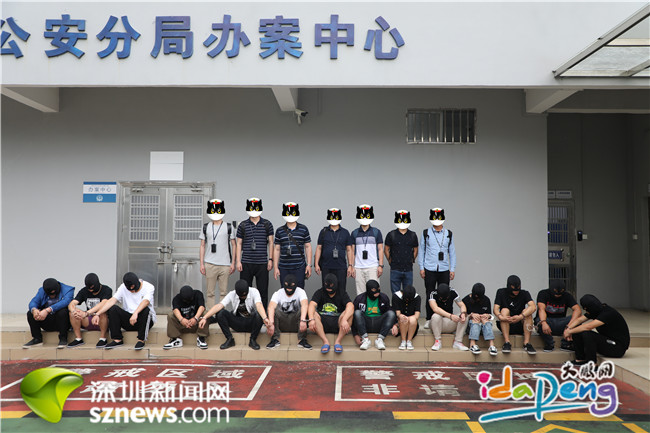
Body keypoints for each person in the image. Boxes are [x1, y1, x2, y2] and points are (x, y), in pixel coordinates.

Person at [198, 279, 270, 350]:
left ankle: (253, 340)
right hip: (237, 322)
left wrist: (265, 318)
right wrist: (204, 318)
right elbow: (219, 305)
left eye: (245, 295)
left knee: (259, 314)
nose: (244, 297)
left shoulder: (254, 291)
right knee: (220, 313)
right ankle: (229, 339)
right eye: (242, 296)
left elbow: (259, 305)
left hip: (250, 323)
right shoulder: (232, 294)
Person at [94, 272, 157, 350]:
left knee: (146, 310)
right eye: (130, 289)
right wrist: (97, 314)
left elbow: (146, 301)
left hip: (143, 320)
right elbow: (112, 300)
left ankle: (141, 340)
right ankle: (117, 339)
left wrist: (135, 313)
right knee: (113, 308)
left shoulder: (149, 287)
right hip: (129, 320)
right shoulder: (122, 287)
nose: (132, 291)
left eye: (134, 289)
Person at [564, 294, 630, 365]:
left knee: (588, 334)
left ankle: (592, 364)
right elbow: (579, 320)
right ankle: (580, 359)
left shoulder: (608, 313)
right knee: (577, 330)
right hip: (607, 341)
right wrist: (568, 328)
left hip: (618, 347)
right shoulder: (595, 310)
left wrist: (570, 331)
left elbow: (589, 326)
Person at [418, 207, 456, 328]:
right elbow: (421, 251)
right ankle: (429, 319)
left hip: (444, 269)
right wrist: (421, 267)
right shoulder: (426, 233)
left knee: (445, 294)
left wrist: (452, 269)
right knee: (430, 294)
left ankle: (445, 318)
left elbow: (452, 252)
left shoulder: (448, 234)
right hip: (429, 268)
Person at [236, 197, 274, 308]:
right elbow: (239, 243)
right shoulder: (243, 225)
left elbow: (271, 242)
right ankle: (245, 313)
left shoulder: (267, 224)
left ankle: (262, 315)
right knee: (244, 291)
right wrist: (238, 261)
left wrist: (270, 259)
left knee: (263, 291)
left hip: (262, 263)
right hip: (246, 262)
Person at [200, 199, 236, 308]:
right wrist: (202, 264)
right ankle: (210, 314)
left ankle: (221, 314)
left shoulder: (229, 227)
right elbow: (202, 245)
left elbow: (234, 245)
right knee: (210, 293)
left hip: (225, 264)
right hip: (209, 263)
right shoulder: (205, 227)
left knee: (223, 293)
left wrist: (233, 263)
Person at [308, 273, 354, 354]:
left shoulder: (341, 292)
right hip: (322, 324)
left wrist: (344, 319)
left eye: (331, 286)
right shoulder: (320, 292)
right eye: (327, 286)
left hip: (338, 323)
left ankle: (338, 341)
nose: (329, 289)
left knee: (349, 315)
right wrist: (311, 319)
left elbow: (351, 306)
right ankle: (325, 341)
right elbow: (312, 304)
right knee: (313, 314)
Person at [24, 278, 74, 349]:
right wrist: (34, 310)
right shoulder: (41, 290)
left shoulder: (68, 290)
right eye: (50, 294)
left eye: (54, 294)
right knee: (30, 313)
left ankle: (63, 338)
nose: (52, 296)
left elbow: (66, 302)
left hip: (63, 322)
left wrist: (47, 310)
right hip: (47, 321)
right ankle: (37, 339)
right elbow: (34, 301)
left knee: (63, 312)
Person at [266, 274, 312, 350]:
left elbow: (305, 305)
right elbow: (271, 307)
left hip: (296, 323)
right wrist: (271, 323)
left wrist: (303, 320)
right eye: (287, 288)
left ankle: (302, 339)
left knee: (304, 310)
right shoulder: (278, 293)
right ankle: (275, 339)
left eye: (291, 288)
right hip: (282, 323)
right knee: (273, 311)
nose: (289, 290)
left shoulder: (301, 292)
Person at [494, 275, 537, 355]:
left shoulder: (524, 293)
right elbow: (495, 309)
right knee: (504, 310)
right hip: (506, 323)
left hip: (520, 324)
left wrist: (520, 316)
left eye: (518, 290)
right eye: (514, 290)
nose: (516, 292)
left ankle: (527, 343)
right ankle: (507, 342)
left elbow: (533, 307)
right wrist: (501, 317)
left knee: (527, 312)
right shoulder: (501, 292)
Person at [67, 273, 112, 349]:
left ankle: (103, 338)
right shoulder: (84, 291)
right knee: (72, 313)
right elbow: (72, 304)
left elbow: (103, 303)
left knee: (102, 312)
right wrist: (74, 311)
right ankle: (78, 338)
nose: (91, 290)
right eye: (89, 289)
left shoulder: (107, 290)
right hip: (89, 320)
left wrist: (87, 313)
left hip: (102, 320)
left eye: (92, 288)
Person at [273, 202, 312, 289]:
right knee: (284, 291)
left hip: (299, 267)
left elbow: (308, 247)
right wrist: (275, 267)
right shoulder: (279, 230)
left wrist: (309, 265)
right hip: (283, 267)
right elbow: (277, 249)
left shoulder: (303, 229)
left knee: (299, 291)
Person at [314, 208, 353, 295]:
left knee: (341, 290)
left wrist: (350, 265)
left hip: (341, 266)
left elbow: (349, 250)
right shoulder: (323, 232)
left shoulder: (345, 232)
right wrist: (316, 264)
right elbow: (319, 248)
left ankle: (340, 304)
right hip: (326, 266)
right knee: (326, 290)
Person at [536, 280, 581, 352]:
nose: (557, 296)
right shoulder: (543, 293)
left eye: (559, 294)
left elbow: (577, 310)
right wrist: (544, 322)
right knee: (539, 320)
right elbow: (541, 309)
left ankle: (565, 344)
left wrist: (569, 326)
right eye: (555, 294)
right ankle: (549, 344)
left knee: (578, 320)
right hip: (547, 322)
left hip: (561, 322)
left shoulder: (567, 296)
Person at [350, 204, 384, 295]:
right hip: (358, 268)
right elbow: (352, 251)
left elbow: (380, 249)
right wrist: (352, 266)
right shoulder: (354, 233)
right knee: (360, 293)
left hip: (373, 267)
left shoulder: (376, 232)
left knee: (374, 292)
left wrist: (380, 266)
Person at [352, 280, 396, 350]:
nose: (377, 293)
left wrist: (395, 325)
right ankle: (365, 339)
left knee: (391, 313)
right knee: (357, 312)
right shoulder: (359, 299)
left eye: (378, 290)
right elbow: (352, 317)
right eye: (374, 290)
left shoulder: (384, 297)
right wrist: (355, 334)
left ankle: (380, 339)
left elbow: (389, 312)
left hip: (379, 323)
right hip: (365, 323)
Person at [163, 285, 208, 350]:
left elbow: (202, 307)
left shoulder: (198, 294)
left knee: (206, 314)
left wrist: (195, 318)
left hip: (197, 324)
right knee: (171, 315)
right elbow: (175, 310)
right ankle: (175, 339)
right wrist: (181, 319)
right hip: (182, 325)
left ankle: (201, 338)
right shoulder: (176, 298)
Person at [384, 210, 419, 294]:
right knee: (396, 294)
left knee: (409, 293)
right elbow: (386, 249)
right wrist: (390, 260)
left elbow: (416, 249)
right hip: (395, 269)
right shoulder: (391, 234)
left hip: (408, 269)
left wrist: (412, 259)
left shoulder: (413, 235)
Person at [428, 283, 469, 351]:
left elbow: (462, 305)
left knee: (465, 316)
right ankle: (437, 341)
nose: (444, 300)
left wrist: (463, 313)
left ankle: (458, 342)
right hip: (436, 324)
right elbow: (435, 308)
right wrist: (450, 316)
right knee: (436, 316)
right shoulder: (433, 294)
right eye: (442, 298)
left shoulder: (453, 291)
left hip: (449, 323)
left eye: (446, 298)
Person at [462, 283, 497, 356]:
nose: (478, 299)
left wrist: (487, 316)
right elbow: (463, 315)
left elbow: (490, 316)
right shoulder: (466, 300)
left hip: (484, 327)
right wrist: (471, 315)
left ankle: (491, 345)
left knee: (485, 320)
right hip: (471, 327)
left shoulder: (486, 300)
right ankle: (472, 344)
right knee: (475, 320)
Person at [392, 285, 421, 350]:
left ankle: (409, 341)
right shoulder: (396, 296)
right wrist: (400, 317)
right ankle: (403, 341)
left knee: (413, 319)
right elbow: (398, 313)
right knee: (403, 319)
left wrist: (409, 318)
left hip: (412, 323)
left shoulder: (417, 298)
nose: (407, 300)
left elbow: (417, 315)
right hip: (401, 322)